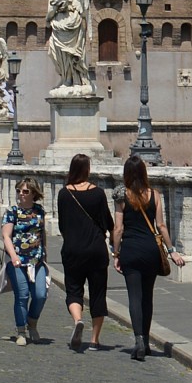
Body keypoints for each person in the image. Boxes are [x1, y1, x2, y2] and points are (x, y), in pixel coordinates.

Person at [109, 155, 169, 361]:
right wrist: (171, 249)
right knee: (147, 297)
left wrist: (116, 253)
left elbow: (118, 228)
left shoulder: (121, 196)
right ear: (144, 172)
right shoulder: (155, 195)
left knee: (134, 296)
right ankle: (146, 338)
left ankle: (139, 340)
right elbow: (161, 226)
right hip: (151, 250)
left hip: (131, 250)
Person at [57, 153, 114, 351]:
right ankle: (95, 340)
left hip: (73, 249)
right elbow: (108, 223)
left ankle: (78, 320)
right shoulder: (98, 193)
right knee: (98, 293)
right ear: (87, 170)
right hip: (96, 250)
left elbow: (62, 225)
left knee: (73, 290)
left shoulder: (64, 193)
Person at [0, 180, 48, 344]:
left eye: (26, 191)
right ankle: (21, 330)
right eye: (19, 190)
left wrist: (45, 253)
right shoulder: (12, 212)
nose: (21, 194)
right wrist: (13, 256)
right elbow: (6, 236)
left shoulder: (40, 211)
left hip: (37, 259)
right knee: (22, 294)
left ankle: (32, 322)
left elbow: (42, 233)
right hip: (17, 259)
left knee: (40, 295)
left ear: (33, 194)